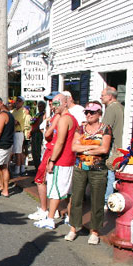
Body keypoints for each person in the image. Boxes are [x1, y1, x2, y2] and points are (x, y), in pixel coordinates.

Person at [65, 101, 111, 245]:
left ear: (99, 113)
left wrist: (84, 147)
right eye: (87, 112)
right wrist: (93, 147)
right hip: (80, 167)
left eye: (93, 112)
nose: (89, 115)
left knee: (97, 200)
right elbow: (73, 147)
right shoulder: (81, 128)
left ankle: (95, 231)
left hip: (98, 169)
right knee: (76, 198)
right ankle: (74, 228)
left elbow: (104, 149)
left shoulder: (105, 128)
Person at [34, 93, 78, 230]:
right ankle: (70, 217)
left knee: (56, 191)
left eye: (57, 103)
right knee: (67, 191)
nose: (54, 106)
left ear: (65, 103)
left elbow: (59, 142)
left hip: (62, 160)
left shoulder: (65, 119)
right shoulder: (69, 118)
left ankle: (50, 219)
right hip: (68, 159)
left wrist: (52, 160)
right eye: (53, 103)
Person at [100, 86, 123, 206]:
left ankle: (107, 200)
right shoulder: (120, 107)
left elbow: (104, 128)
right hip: (119, 147)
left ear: (110, 96)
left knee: (110, 174)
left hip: (113, 147)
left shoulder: (111, 108)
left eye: (102, 95)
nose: (101, 97)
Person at [11, 96, 30, 176]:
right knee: (19, 151)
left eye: (19, 101)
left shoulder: (23, 111)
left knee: (18, 152)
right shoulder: (13, 111)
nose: (17, 102)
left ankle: (17, 169)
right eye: (17, 101)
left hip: (18, 132)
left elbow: (17, 122)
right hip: (14, 132)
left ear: (22, 102)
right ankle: (21, 167)